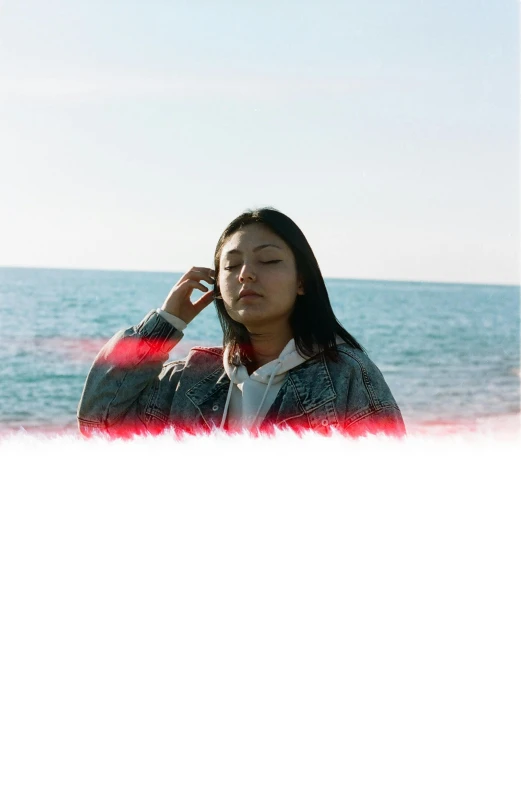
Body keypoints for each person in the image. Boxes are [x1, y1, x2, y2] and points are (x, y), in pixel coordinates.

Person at [77, 208, 405, 438]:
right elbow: (99, 422)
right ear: (218, 286)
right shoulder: (190, 380)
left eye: (269, 260)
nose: (246, 273)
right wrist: (165, 323)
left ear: (302, 281)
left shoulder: (346, 376)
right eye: (232, 266)